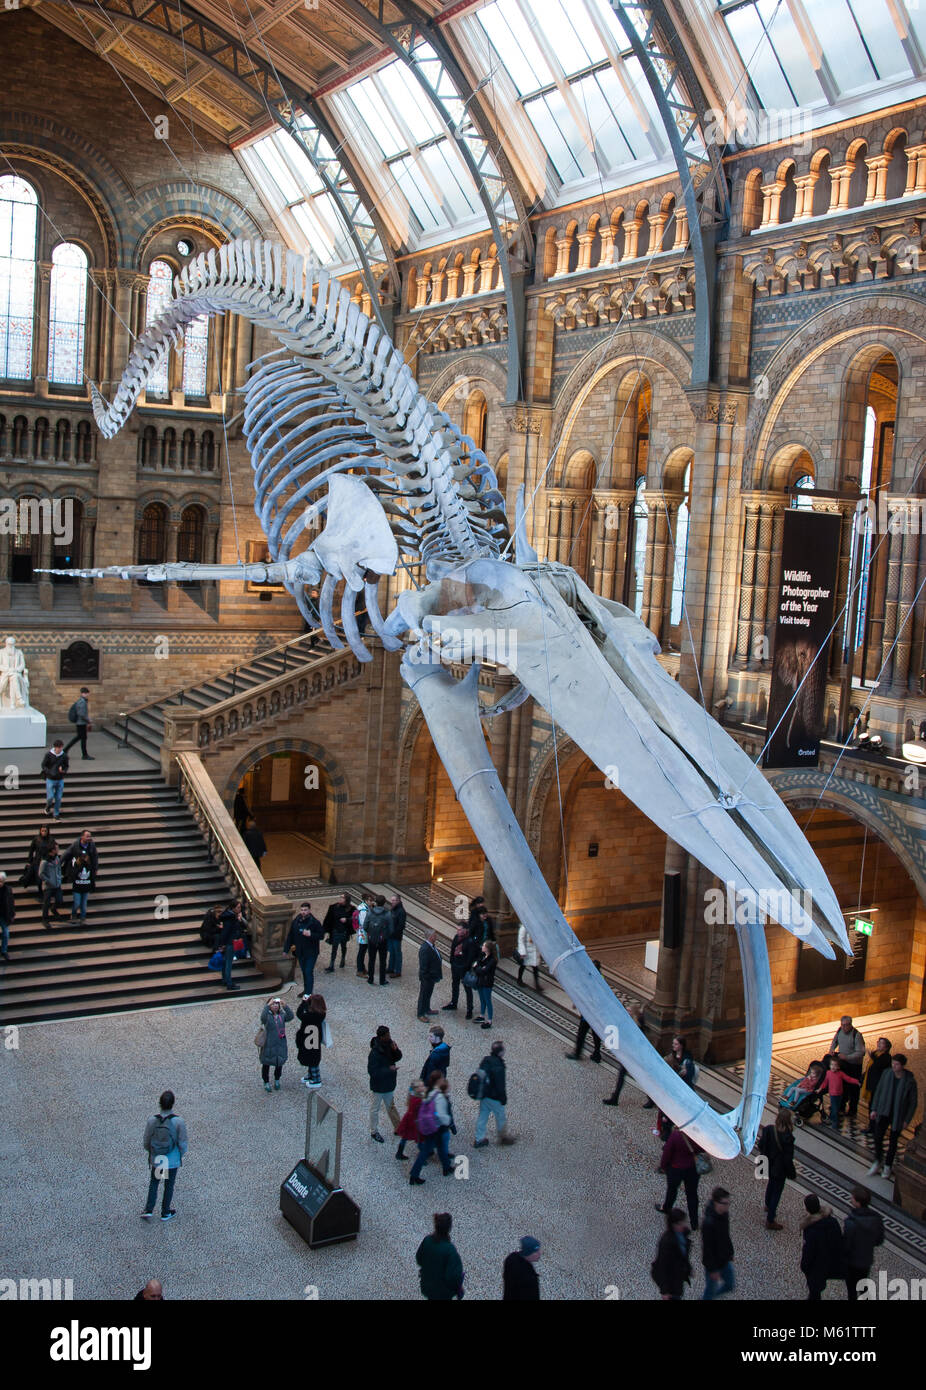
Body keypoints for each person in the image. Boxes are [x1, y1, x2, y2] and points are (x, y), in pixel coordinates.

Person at [868, 1053, 919, 1179]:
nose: (893, 1066)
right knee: (878, 1136)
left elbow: (913, 1102)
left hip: (898, 1114)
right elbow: (879, 1091)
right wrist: (874, 1108)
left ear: (902, 1066)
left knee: (893, 1141)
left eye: (896, 1064)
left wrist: (907, 1119)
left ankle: (888, 1165)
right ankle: (878, 1159)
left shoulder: (909, 1081)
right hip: (884, 1110)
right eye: (893, 1063)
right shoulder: (887, 1074)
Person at [141, 1089, 188, 1221]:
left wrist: (151, 1152)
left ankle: (149, 1209)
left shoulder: (152, 1120)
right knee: (169, 1184)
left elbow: (146, 1140)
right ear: (173, 1104)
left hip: (158, 1158)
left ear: (160, 1103)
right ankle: (165, 1211)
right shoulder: (178, 1121)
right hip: (171, 1159)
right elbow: (182, 1142)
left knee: (155, 1182)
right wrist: (180, 1154)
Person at [655, 1122, 702, 1231]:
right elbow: (702, 1150)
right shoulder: (698, 1136)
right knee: (692, 1195)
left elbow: (667, 1152)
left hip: (676, 1169)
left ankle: (667, 1208)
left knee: (672, 1190)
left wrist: (663, 1167)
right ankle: (694, 1222)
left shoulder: (676, 1135)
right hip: (692, 1169)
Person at [409, 1072, 454, 1183]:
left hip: (430, 1126)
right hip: (436, 1127)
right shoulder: (439, 1096)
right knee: (427, 1151)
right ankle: (414, 1175)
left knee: (440, 1148)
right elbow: (441, 1114)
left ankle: (446, 1167)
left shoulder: (430, 1092)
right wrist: (448, 1121)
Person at [799, 1193, 845, 1300]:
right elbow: (839, 1240)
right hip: (830, 1261)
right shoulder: (833, 1222)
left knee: (815, 1290)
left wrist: (804, 1265)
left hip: (817, 1265)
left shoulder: (811, 1229)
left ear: (807, 1209)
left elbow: (809, 1251)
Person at [474, 1038, 517, 1147]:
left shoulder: (486, 1060)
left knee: (482, 1116)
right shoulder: (499, 1066)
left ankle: (479, 1139)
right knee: (500, 1116)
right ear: (500, 1052)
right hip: (495, 1098)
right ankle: (503, 1138)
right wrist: (503, 1098)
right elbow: (500, 1085)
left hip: (484, 1095)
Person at [757, 1108, 796, 1229]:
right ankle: (770, 1219)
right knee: (777, 1191)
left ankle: (767, 1204)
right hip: (779, 1168)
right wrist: (792, 1172)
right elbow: (788, 1158)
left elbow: (760, 1144)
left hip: (767, 1163)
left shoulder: (768, 1129)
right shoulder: (788, 1137)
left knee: (771, 1184)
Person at [844, 1185, 884, 1301]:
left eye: (852, 1198)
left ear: (858, 1202)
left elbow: (847, 1245)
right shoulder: (877, 1219)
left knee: (851, 1289)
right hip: (866, 1260)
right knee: (863, 1286)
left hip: (852, 1262)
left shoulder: (850, 1223)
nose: (850, 1199)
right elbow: (879, 1240)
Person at [415, 1212, 463, 1301]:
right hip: (443, 1293)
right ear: (449, 1228)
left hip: (428, 1287)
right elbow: (453, 1276)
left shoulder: (427, 1241)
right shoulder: (449, 1250)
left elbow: (419, 1259)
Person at [603, 1004, 644, 1107]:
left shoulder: (636, 1026)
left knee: (642, 1077)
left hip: (633, 1055)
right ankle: (615, 1096)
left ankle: (615, 1097)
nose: (627, 1011)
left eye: (629, 1010)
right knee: (622, 1074)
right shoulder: (627, 1021)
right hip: (628, 1054)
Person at [566, 958, 605, 1062]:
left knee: (582, 1033)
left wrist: (577, 1003)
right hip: (597, 1011)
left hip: (588, 1011)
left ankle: (577, 1053)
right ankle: (597, 1054)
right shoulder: (600, 978)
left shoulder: (591, 979)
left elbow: (585, 993)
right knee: (596, 1033)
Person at [367, 1024, 402, 1142]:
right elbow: (372, 1071)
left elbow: (397, 1057)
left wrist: (396, 1050)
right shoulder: (375, 1053)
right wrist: (389, 1070)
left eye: (389, 1034)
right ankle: (373, 1131)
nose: (389, 1037)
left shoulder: (389, 1045)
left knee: (391, 1106)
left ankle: (398, 1127)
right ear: (381, 1037)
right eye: (387, 1035)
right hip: (378, 1086)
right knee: (375, 1108)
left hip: (389, 1084)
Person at [701, 1187, 735, 1300]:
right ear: (716, 1202)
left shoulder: (724, 1214)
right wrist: (712, 1270)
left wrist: (730, 1252)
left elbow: (726, 1235)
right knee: (710, 1291)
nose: (727, 1206)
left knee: (730, 1285)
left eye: (728, 1203)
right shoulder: (708, 1223)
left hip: (724, 1258)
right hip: (714, 1264)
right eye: (725, 1203)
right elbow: (707, 1249)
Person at [285, 901, 324, 996]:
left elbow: (321, 935)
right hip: (300, 951)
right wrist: (286, 950)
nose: (303, 912)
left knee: (308, 971)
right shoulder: (296, 921)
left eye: (305, 910)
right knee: (304, 971)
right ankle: (306, 990)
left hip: (311, 952)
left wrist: (311, 934)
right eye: (302, 910)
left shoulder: (314, 922)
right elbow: (291, 936)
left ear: (309, 911)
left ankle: (308, 993)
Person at [830, 1016, 866, 1119]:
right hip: (843, 1063)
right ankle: (841, 1107)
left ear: (850, 1024)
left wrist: (847, 1057)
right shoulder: (840, 1030)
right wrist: (832, 1049)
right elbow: (835, 1040)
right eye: (842, 1025)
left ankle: (852, 1110)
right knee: (843, 1085)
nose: (844, 1027)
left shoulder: (857, 1035)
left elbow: (861, 1052)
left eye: (846, 1025)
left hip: (854, 1065)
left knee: (854, 1088)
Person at [652, 1209, 692, 1300]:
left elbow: (683, 1256)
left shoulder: (682, 1235)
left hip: (677, 1277)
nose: (684, 1224)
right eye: (681, 1223)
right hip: (671, 1282)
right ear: (674, 1225)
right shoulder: (666, 1243)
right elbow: (662, 1267)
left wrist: (688, 1269)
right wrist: (664, 1291)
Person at [259, 996, 294, 1091]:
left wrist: (285, 1006)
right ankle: (266, 1081)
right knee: (266, 1064)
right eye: (273, 1004)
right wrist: (267, 1006)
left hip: (280, 1044)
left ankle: (277, 1079)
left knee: (279, 1063)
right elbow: (262, 1018)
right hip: (268, 1045)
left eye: (276, 1004)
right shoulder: (268, 1016)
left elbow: (291, 1016)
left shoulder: (282, 1015)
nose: (275, 1006)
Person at [444, 921, 479, 1017]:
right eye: (457, 929)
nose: (458, 931)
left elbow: (471, 957)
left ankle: (469, 1009)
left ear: (465, 930)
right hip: (455, 966)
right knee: (454, 985)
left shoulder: (470, 941)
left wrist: (465, 967)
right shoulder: (456, 937)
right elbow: (452, 949)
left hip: (464, 968)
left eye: (460, 929)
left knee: (467, 988)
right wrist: (452, 961)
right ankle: (453, 1003)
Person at [818, 1056, 861, 1130]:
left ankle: (831, 1118)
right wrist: (820, 1089)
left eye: (835, 1065)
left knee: (836, 1107)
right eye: (832, 1065)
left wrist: (856, 1081)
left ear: (838, 1067)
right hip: (833, 1094)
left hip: (839, 1094)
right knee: (835, 1108)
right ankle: (835, 1122)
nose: (833, 1067)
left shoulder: (840, 1074)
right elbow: (825, 1082)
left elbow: (848, 1079)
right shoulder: (828, 1073)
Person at [296, 992, 327, 1088]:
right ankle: (311, 1076)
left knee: (312, 1060)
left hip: (308, 1039)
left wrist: (304, 1003)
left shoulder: (309, 1016)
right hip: (314, 1039)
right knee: (312, 1058)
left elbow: (299, 1014)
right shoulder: (321, 1014)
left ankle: (316, 1079)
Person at [20, 824, 56, 898]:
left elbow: (54, 851)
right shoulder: (36, 839)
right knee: (38, 878)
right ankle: (40, 892)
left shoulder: (51, 840)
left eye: (45, 831)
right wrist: (29, 861)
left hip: (47, 861)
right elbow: (31, 850)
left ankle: (47, 892)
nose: (44, 832)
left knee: (46, 877)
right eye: (42, 831)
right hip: (37, 861)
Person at [863, 1037, 893, 1127]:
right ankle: (871, 1125)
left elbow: (878, 1065)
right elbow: (870, 1069)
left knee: (875, 1107)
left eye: (882, 1043)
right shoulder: (876, 1054)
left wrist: (872, 1056)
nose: (879, 1044)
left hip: (878, 1086)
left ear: (886, 1047)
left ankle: (874, 1126)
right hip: (871, 1084)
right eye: (878, 1042)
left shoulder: (886, 1057)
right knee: (871, 1105)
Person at [365, 894, 393, 986]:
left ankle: (370, 978)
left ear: (376, 902)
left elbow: (365, 926)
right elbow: (391, 929)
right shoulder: (387, 914)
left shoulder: (370, 912)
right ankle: (382, 980)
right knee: (382, 961)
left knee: (371, 960)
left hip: (371, 939)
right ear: (384, 903)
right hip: (382, 941)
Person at [395, 1079, 426, 1161]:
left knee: (405, 1137)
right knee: (419, 1138)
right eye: (421, 1086)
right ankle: (422, 1157)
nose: (423, 1087)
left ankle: (399, 1153)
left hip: (408, 1120)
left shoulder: (412, 1096)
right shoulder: (418, 1100)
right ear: (416, 1089)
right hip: (414, 1122)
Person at [323, 892, 353, 972]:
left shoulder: (351, 909)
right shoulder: (334, 907)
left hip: (344, 931)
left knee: (343, 946)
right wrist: (326, 930)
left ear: (346, 900)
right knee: (334, 948)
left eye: (342, 898)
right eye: (341, 897)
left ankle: (343, 958)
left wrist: (347, 920)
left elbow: (354, 919)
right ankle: (331, 965)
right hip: (335, 931)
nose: (340, 899)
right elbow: (328, 919)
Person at [218, 900, 244, 991]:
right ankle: (229, 983)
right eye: (238, 907)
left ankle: (225, 980)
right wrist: (238, 920)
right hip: (230, 943)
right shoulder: (231, 917)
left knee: (225, 962)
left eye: (240, 907)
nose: (240, 909)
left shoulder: (228, 916)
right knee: (228, 963)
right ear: (233, 908)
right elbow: (228, 931)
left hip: (228, 942)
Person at [473, 938, 499, 1030]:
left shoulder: (492, 960)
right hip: (481, 981)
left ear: (488, 948)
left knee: (488, 1000)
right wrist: (479, 968)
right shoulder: (483, 956)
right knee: (482, 999)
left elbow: (484, 970)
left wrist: (478, 968)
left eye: (484, 946)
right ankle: (482, 1015)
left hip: (487, 982)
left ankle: (489, 1020)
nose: (482, 947)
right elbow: (478, 967)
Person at [417, 930, 442, 1021]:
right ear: (430, 937)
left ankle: (427, 1009)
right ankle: (420, 1014)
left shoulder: (431, 946)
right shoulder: (425, 949)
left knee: (428, 994)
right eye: (435, 935)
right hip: (427, 978)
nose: (436, 937)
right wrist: (426, 977)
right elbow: (423, 966)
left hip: (431, 977)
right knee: (423, 995)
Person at [64, 686, 94, 760]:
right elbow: (81, 714)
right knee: (79, 738)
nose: (87, 695)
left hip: (81, 723)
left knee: (81, 738)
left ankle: (84, 754)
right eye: (86, 693)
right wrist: (88, 720)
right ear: (84, 693)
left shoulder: (81, 701)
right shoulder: (82, 702)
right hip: (81, 723)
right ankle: (65, 751)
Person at [41, 740, 69, 819]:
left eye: (61, 748)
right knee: (50, 797)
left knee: (58, 798)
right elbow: (43, 765)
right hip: (50, 779)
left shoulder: (64, 756)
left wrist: (63, 771)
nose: (60, 749)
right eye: (59, 748)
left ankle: (56, 814)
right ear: (55, 747)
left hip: (60, 779)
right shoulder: (49, 755)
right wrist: (48, 771)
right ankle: (48, 807)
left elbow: (66, 766)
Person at [39, 847, 63, 929]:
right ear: (52, 850)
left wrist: (59, 877)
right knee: (46, 903)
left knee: (59, 900)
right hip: (48, 886)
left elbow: (59, 868)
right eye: (56, 848)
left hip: (57, 884)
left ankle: (54, 909)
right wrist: (48, 880)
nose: (58, 849)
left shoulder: (56, 858)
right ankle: (45, 919)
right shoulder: (45, 861)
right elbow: (41, 874)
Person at [516, 923, 542, 992]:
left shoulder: (536, 926)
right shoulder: (524, 927)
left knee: (535, 968)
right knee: (523, 966)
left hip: (534, 951)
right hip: (526, 952)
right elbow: (520, 940)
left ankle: (537, 985)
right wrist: (522, 952)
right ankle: (519, 979)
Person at [69, 852, 93, 924]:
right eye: (83, 857)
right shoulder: (76, 865)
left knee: (84, 905)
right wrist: (82, 865)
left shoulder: (89, 865)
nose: (84, 859)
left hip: (85, 887)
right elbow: (74, 874)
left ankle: (83, 917)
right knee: (77, 903)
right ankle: (73, 914)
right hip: (77, 888)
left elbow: (91, 876)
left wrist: (92, 886)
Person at [354, 893, 373, 976]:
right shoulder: (363, 910)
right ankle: (360, 970)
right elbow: (363, 923)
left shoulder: (364, 907)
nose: (371, 902)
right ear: (366, 900)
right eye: (370, 900)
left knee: (362, 950)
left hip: (363, 933)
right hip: (363, 934)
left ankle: (362, 967)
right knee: (362, 951)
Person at [387, 893, 406, 977]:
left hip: (396, 936)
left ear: (398, 901)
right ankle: (390, 968)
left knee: (397, 953)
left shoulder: (401, 911)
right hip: (390, 935)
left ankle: (397, 971)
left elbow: (401, 925)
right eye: (392, 900)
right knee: (392, 952)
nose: (392, 902)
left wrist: (394, 932)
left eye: (394, 900)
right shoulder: (393, 909)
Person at [0, 871, 15, 960]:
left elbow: (11, 903)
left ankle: (4, 951)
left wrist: (12, 914)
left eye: (1, 881)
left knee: (6, 933)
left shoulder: (8, 890)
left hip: (3, 915)